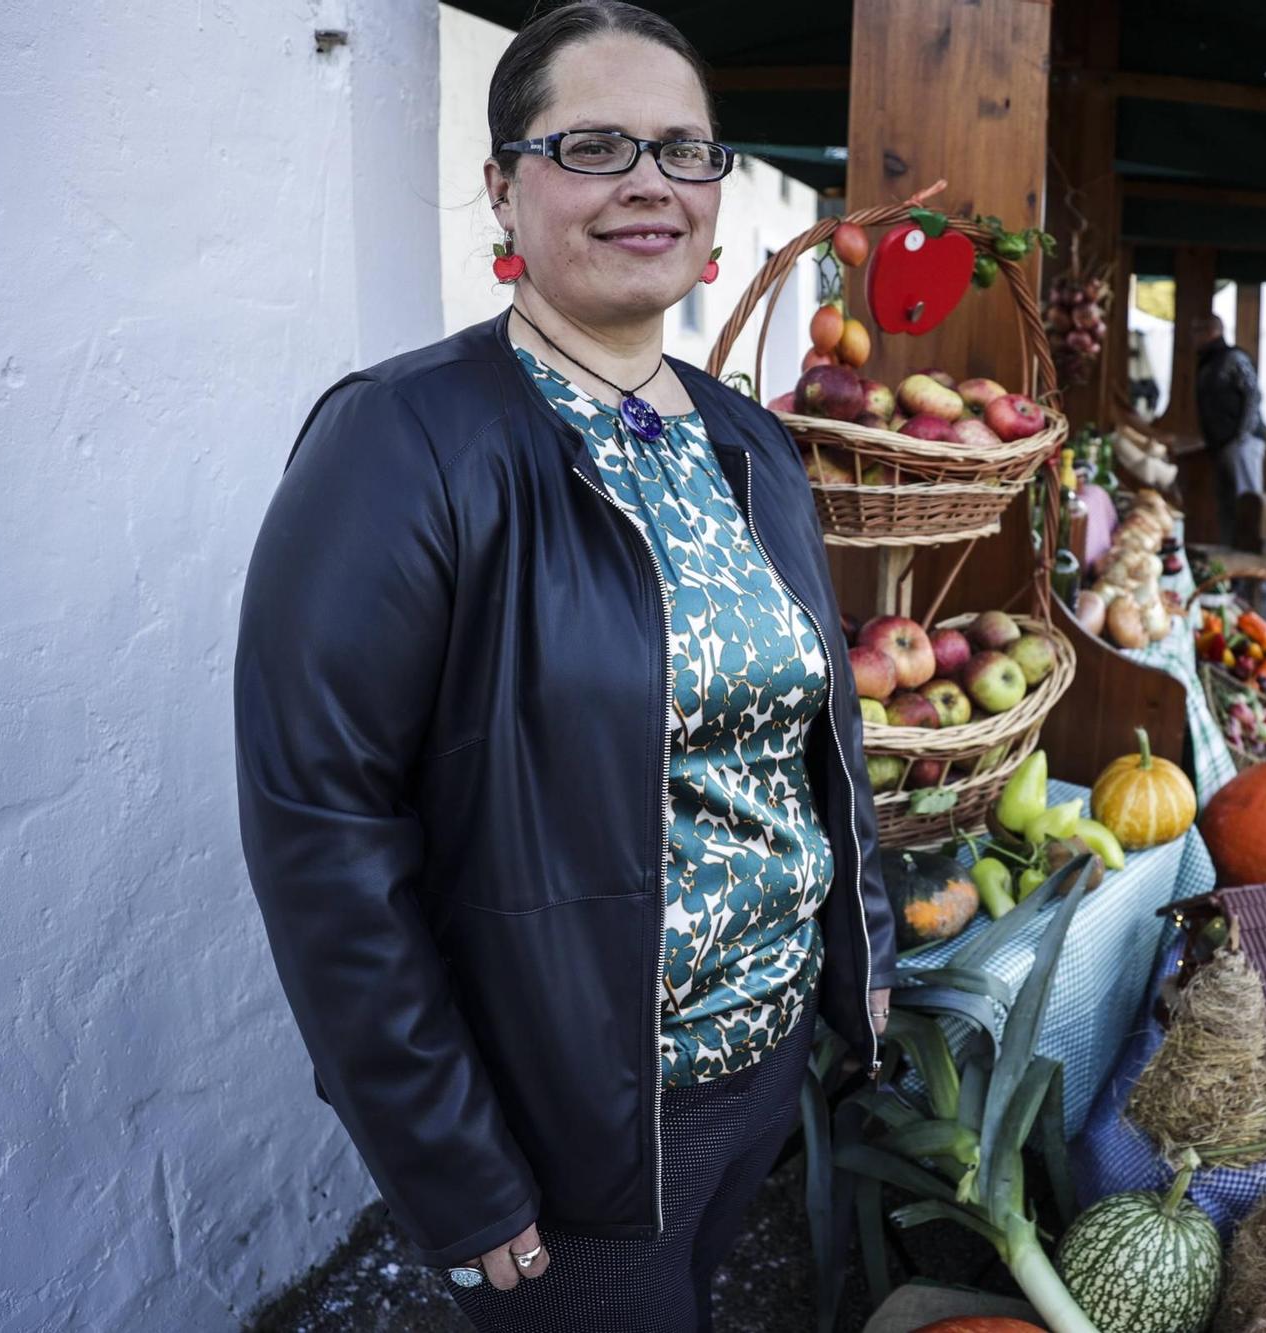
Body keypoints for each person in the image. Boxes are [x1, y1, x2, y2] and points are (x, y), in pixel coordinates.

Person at [232, 6, 897, 1329]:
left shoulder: (750, 446)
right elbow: (324, 838)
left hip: (759, 1073)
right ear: (502, 185)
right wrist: (453, 1168)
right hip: (579, 1123)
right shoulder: (402, 444)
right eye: (593, 145)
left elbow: (818, 734)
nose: (649, 181)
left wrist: (860, 941)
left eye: (682, 150)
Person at [1194, 312, 1264, 548]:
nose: (1193, 338)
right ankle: (1233, 569)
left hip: (1241, 444)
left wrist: (1241, 436)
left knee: (1249, 508)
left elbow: (1253, 394)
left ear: (1212, 331)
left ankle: (1255, 573)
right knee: (1228, 510)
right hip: (1222, 445)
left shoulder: (1233, 358)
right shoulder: (1208, 362)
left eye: (1197, 331)